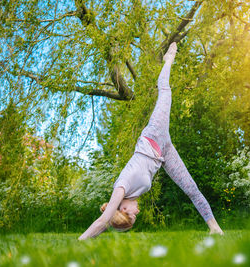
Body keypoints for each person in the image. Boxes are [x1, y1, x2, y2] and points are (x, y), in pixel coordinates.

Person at [78, 43, 223, 240]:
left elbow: (103, 220)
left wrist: (82, 240)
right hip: (163, 152)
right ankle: (214, 227)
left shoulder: (121, 187)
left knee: (165, 90)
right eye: (133, 218)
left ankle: (168, 60)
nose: (136, 213)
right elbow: (108, 224)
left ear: (123, 207)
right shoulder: (132, 196)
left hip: (154, 135)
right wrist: (112, 226)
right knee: (191, 188)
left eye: (131, 214)